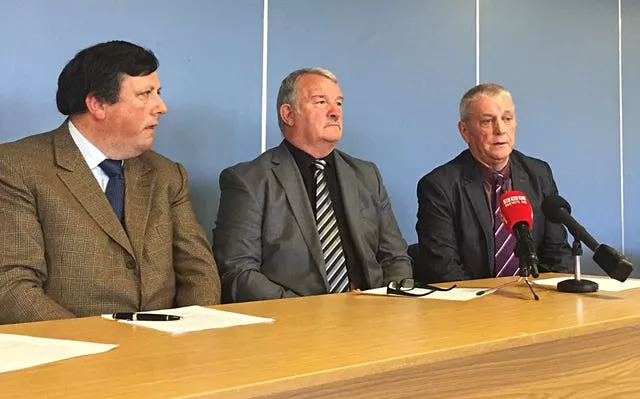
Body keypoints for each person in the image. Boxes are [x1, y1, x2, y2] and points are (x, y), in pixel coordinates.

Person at [0, 40, 221, 324]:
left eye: (158, 93)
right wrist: (96, 346)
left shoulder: (168, 174)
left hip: (166, 354)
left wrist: (192, 332)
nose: (161, 107)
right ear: (98, 105)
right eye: (145, 94)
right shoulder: (16, 167)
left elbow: (198, 270)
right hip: (73, 356)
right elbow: (12, 286)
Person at [214, 67, 412, 302]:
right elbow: (238, 272)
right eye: (321, 102)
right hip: (294, 323)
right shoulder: (249, 180)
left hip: (372, 316)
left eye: (339, 103)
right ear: (288, 114)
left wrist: (390, 302)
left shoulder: (366, 175)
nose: (335, 113)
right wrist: (310, 311)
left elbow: (395, 257)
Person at [416, 83, 571, 283]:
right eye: (487, 121)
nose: (500, 130)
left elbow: (557, 254)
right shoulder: (439, 186)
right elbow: (443, 268)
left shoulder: (538, 174)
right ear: (464, 131)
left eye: (507, 119)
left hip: (534, 304)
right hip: (472, 306)